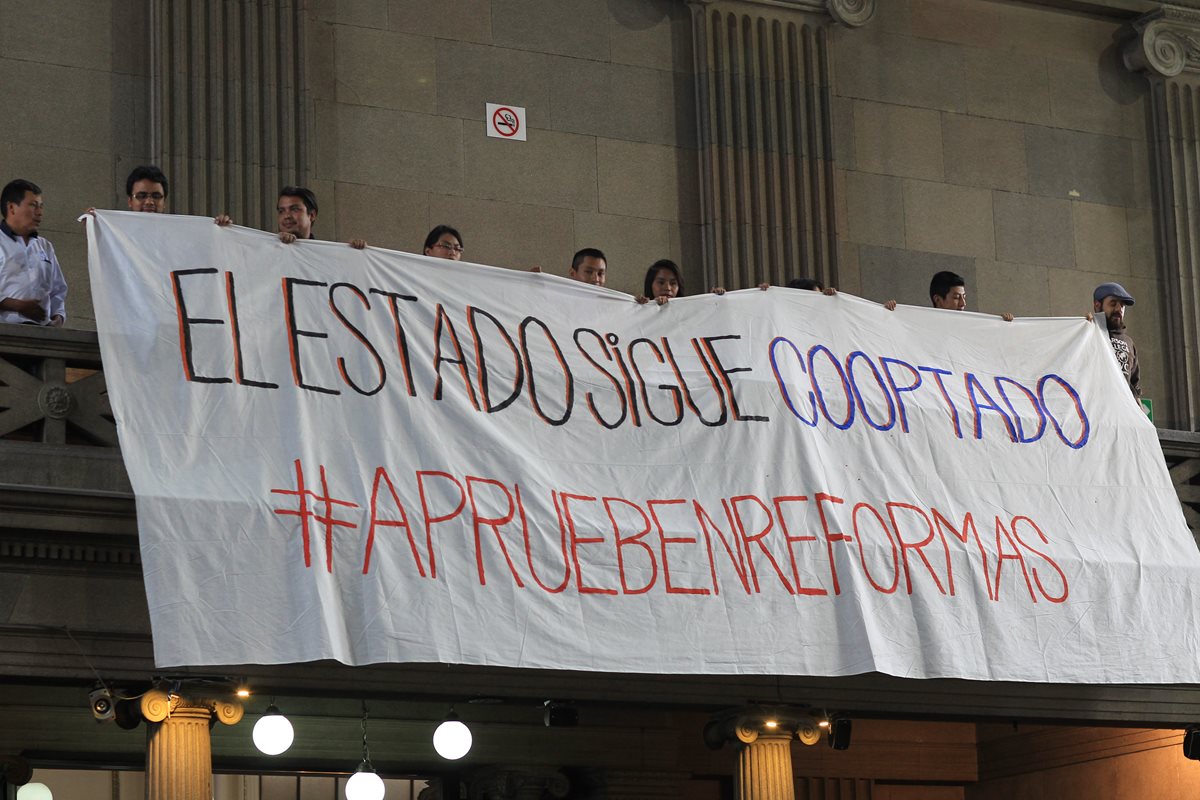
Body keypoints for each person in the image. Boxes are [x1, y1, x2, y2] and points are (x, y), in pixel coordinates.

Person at [0, 179, 67, 327]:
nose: (39, 212)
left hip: (41, 334)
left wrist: (58, 317)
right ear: (11, 208)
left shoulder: (45, 246)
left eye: (41, 206)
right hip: (5, 331)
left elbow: (58, 290)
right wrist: (17, 306)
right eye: (33, 205)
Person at [276, 186, 365, 248]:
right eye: (281, 211)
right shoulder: (267, 250)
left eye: (294, 209)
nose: (287, 216)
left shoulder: (327, 255)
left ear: (312, 215)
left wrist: (355, 255)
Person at [1093, 282, 1140, 398]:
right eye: (1113, 304)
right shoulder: (1089, 333)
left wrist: (1137, 403)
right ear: (1097, 305)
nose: (1119, 309)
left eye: (1122, 306)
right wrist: (1088, 327)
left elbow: (1134, 383)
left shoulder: (1129, 342)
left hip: (1122, 412)